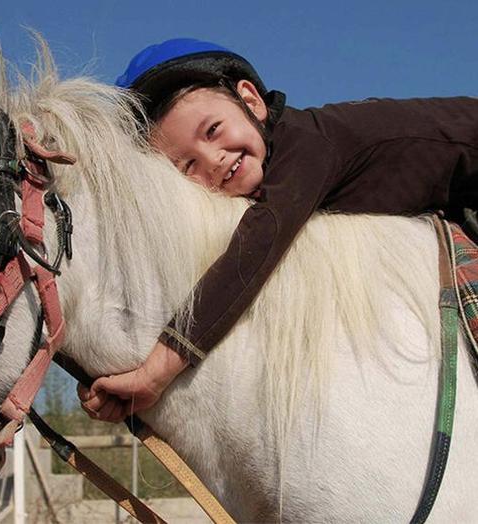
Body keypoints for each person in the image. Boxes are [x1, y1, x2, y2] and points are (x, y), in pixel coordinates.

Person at [79, 39, 478, 423]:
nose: (212, 160)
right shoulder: (277, 173)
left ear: (251, 101)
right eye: (187, 167)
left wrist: (155, 373)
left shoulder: (307, 146)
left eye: (213, 130)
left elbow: (250, 254)